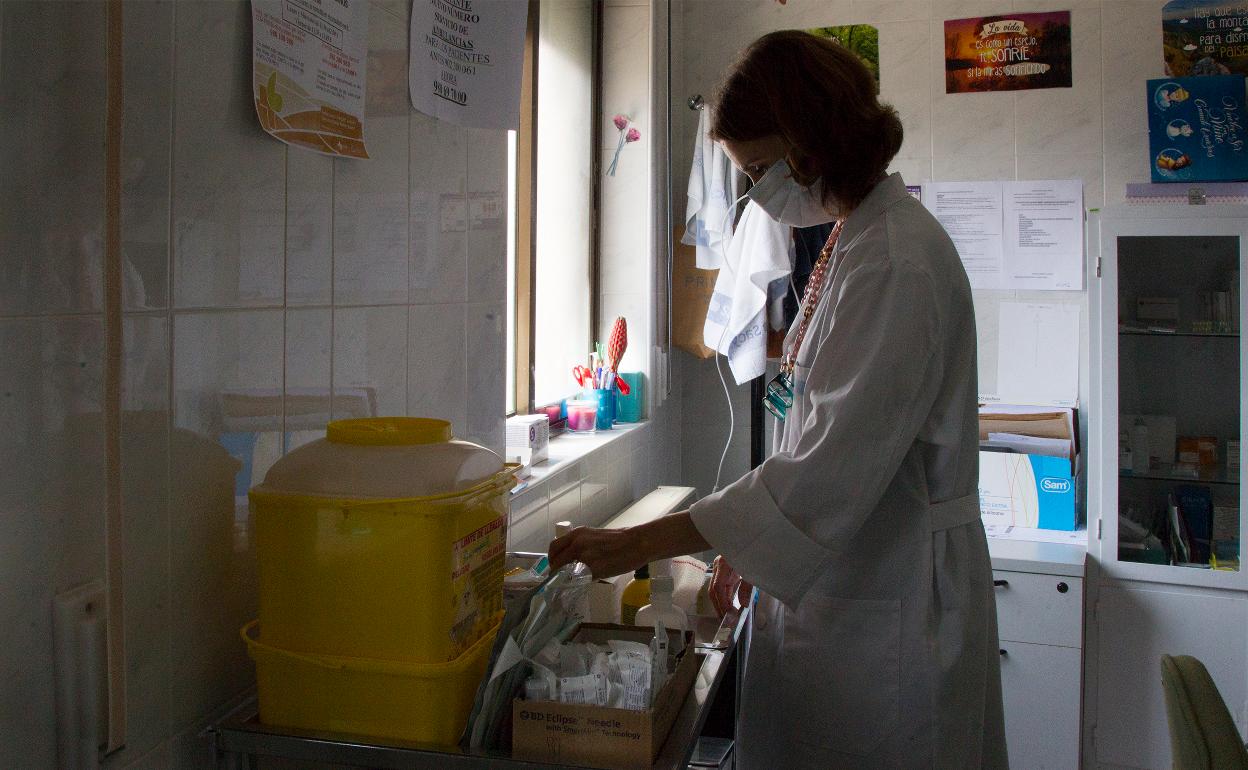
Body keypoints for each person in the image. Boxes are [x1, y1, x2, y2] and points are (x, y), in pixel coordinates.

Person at [550, 29, 1008, 768]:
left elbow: (821, 474)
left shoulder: (895, 262)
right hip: (847, 582)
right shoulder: (856, 239)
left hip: (890, 604)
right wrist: (750, 543)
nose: (757, 191)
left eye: (759, 167)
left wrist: (640, 542)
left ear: (810, 143)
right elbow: (815, 436)